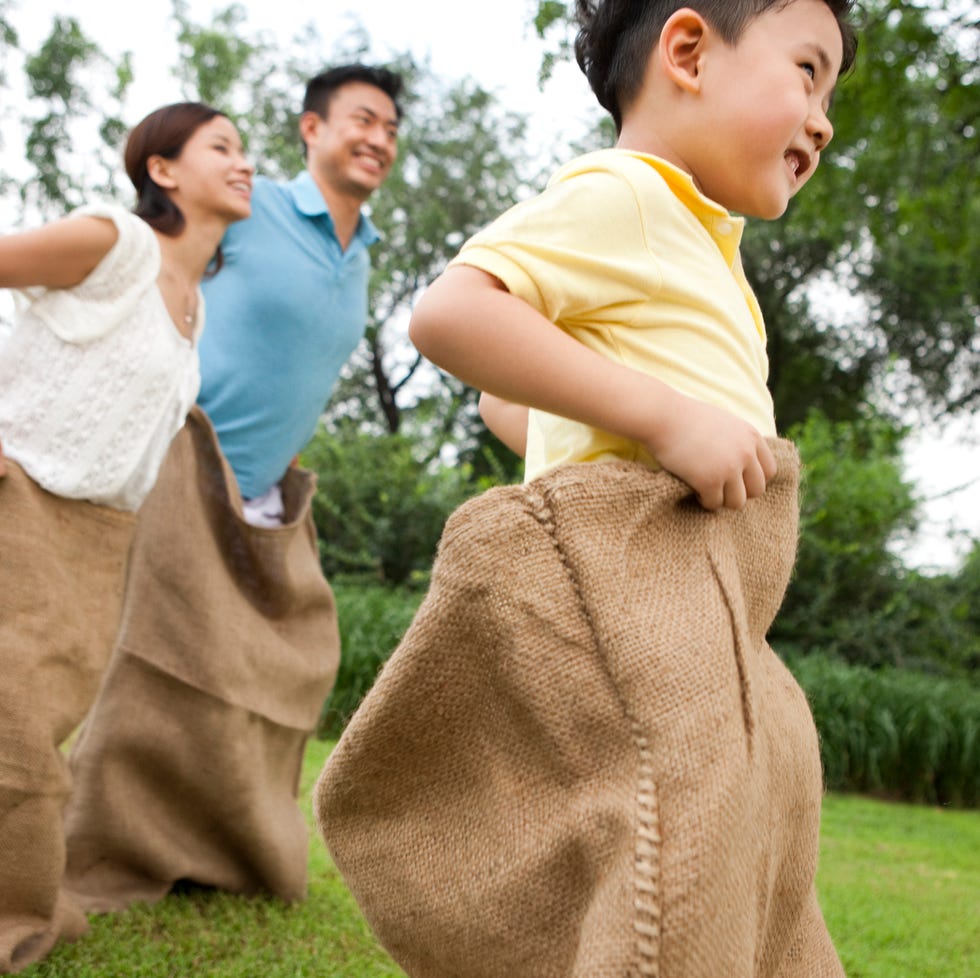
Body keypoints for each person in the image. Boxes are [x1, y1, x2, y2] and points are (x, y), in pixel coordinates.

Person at [315, 3, 857, 978]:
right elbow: (450, 315)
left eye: (831, 94)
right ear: (686, 50)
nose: (821, 119)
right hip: (639, 589)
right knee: (683, 837)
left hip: (714, 600)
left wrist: (600, 424)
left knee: (755, 824)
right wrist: (661, 419)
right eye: (807, 71)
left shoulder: (700, 244)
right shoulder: (628, 195)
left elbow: (496, 403)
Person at [62, 64, 403, 913]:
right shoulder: (258, 211)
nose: (379, 139)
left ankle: (215, 848)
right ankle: (94, 850)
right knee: (159, 664)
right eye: (362, 119)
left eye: (392, 129)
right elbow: (155, 267)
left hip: (263, 491)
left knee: (289, 663)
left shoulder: (361, 252)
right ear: (311, 130)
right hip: (182, 461)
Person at [0, 102, 252, 974]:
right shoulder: (114, 244)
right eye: (222, 146)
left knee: (41, 729)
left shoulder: (196, 309)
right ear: (163, 170)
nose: (244, 161)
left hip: (100, 538)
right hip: (21, 500)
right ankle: (15, 911)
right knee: (15, 729)